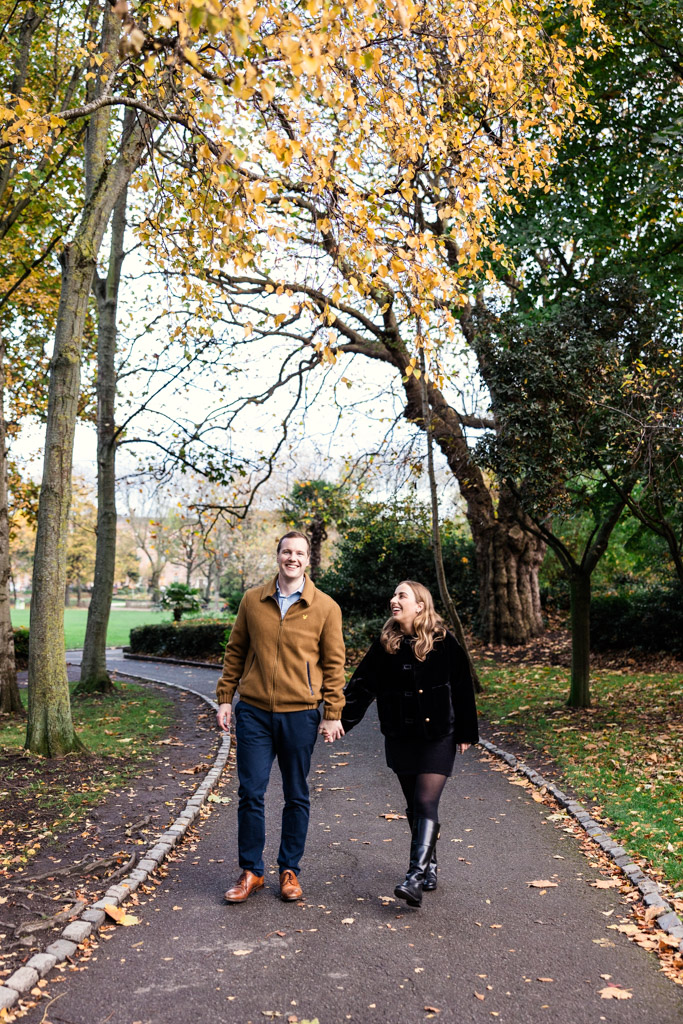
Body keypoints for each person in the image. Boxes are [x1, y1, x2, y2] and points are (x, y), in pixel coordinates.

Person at [216, 531, 346, 903]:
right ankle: (251, 872)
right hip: (254, 712)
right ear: (277, 556)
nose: (292, 558)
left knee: (296, 794)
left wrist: (332, 713)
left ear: (308, 560)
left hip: (301, 714)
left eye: (299, 553)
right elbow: (235, 650)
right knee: (251, 793)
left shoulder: (325, 607)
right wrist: (226, 697)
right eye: (286, 551)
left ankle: (289, 871)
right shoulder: (252, 601)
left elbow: (335, 665)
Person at [341, 580, 478, 908]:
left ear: (420, 605)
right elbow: (361, 686)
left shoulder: (444, 642)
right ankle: (429, 863)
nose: (394, 600)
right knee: (414, 807)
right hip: (400, 736)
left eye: (401, 595)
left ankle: (414, 876)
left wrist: (466, 733)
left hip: (437, 736)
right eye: (394, 595)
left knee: (425, 801)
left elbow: (462, 687)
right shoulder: (385, 644)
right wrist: (338, 721)